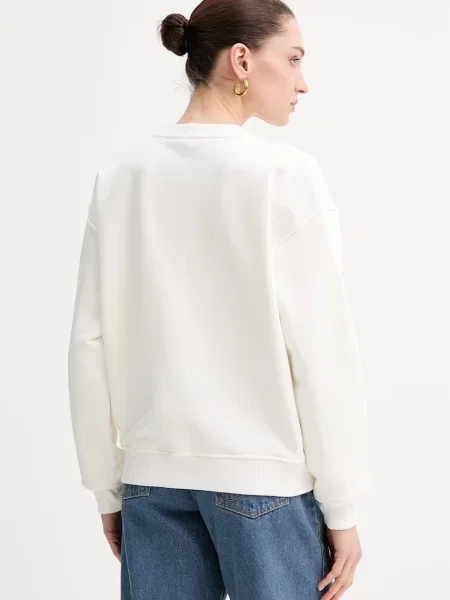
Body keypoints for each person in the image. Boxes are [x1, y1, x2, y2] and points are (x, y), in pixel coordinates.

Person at [67, 1, 368, 599]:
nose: (303, 82)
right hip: (265, 484)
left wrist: (107, 488)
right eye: (293, 59)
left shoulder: (121, 178)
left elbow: (88, 345)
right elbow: (322, 354)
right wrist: (342, 506)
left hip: (151, 481)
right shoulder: (284, 177)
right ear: (242, 61)